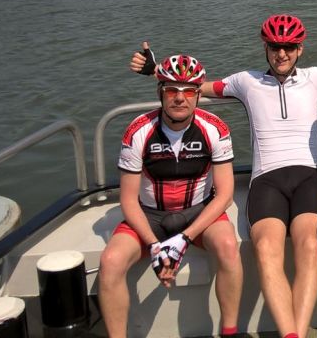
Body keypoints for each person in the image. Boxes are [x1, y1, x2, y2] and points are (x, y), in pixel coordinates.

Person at [131, 14, 317, 338]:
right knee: (267, 250)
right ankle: (291, 334)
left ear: (300, 49)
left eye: (289, 47)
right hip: (266, 178)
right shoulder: (246, 81)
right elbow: (194, 85)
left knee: (309, 246)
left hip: (309, 175)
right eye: (275, 47)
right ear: (265, 48)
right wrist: (153, 70)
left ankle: (295, 333)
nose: (282, 54)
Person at [99, 54, 242, 338]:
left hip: (198, 212)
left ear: (198, 95)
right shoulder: (138, 131)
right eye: (171, 90)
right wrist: (155, 246)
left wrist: (184, 238)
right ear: (160, 92)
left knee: (228, 246)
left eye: (188, 91)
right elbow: (128, 200)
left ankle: (230, 332)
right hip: (149, 216)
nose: (179, 98)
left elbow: (225, 194)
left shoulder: (215, 128)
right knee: (111, 262)